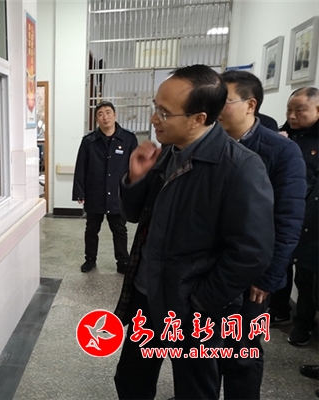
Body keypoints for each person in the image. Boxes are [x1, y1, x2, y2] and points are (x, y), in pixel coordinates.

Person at [113, 65, 274, 400]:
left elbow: (251, 253)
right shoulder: (166, 155)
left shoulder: (239, 167)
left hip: (192, 307)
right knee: (131, 380)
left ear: (198, 118)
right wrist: (136, 178)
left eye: (164, 112)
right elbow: (133, 215)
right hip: (147, 294)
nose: (154, 119)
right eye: (155, 107)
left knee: (195, 389)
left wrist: (200, 302)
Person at [217, 70, 307, 399]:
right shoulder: (210, 144)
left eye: (223, 101)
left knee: (242, 351)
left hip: (252, 275)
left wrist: (268, 277)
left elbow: (288, 220)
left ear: (250, 104)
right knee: (205, 345)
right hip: (210, 268)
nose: (214, 108)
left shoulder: (281, 152)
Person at [269, 87, 319, 346]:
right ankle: (279, 309)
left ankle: (303, 324)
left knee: (307, 273)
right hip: (282, 212)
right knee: (280, 262)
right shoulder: (283, 135)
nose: (292, 115)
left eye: (299, 110)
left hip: (311, 216)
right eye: (289, 110)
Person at [72, 101, 138, 273]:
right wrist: (79, 192)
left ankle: (122, 262)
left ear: (115, 115)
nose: (105, 117)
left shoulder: (129, 139)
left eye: (108, 112)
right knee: (91, 229)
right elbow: (81, 167)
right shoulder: (89, 141)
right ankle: (90, 259)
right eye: (100, 114)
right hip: (95, 192)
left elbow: (135, 168)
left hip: (118, 194)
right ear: (96, 119)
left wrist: (134, 192)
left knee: (119, 229)